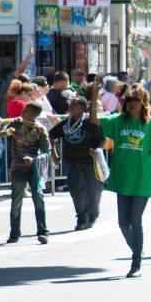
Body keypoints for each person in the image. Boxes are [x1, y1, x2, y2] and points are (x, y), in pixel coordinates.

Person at [92, 84, 151, 278]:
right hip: (123, 178)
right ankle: (137, 250)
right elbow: (95, 121)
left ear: (143, 102)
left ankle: (136, 262)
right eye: (129, 100)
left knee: (135, 220)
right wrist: (94, 94)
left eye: (136, 100)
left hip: (142, 178)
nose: (131, 104)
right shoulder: (118, 121)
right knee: (123, 223)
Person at [48, 95, 104, 230]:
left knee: (93, 190)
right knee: (76, 190)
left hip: (89, 161)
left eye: (74, 105)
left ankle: (93, 214)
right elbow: (51, 135)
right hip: (72, 161)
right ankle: (82, 218)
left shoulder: (89, 123)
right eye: (70, 105)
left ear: (82, 108)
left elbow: (102, 140)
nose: (71, 107)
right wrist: (54, 154)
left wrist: (97, 150)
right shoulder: (66, 124)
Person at [2, 101, 52, 244]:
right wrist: (9, 132)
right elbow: (1, 134)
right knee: (16, 202)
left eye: (29, 111)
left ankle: (43, 232)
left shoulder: (40, 129)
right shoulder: (15, 123)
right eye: (25, 109)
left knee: (39, 199)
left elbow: (46, 152)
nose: (24, 112)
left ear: (35, 115)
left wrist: (34, 159)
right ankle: (14, 233)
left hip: (34, 169)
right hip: (18, 168)